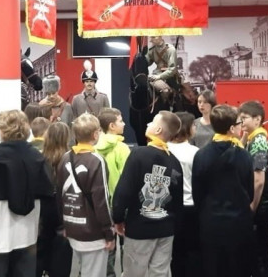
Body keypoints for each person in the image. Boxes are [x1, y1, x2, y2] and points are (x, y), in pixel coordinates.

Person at [0, 110, 55, 277]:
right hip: (28, 227)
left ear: (2, 130)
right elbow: (47, 189)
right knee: (25, 269)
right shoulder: (37, 157)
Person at [112, 111, 183, 277]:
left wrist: (118, 218)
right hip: (165, 229)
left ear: (158, 130)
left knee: (134, 272)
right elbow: (177, 201)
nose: (147, 124)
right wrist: (174, 225)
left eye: (152, 122)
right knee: (160, 273)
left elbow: (124, 191)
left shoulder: (138, 154)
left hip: (139, 228)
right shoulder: (174, 161)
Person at [192, 105, 255, 277]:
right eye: (239, 123)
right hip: (238, 223)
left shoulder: (201, 155)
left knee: (212, 267)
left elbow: (197, 193)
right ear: (232, 128)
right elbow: (249, 192)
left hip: (210, 222)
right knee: (238, 268)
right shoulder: (244, 156)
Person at [57, 113, 114, 277]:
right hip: (93, 232)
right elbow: (101, 200)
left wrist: (63, 225)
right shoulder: (97, 160)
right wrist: (108, 232)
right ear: (95, 134)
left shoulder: (65, 157)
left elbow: (59, 194)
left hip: (72, 226)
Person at [94, 108, 131, 277]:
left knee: (107, 246)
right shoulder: (122, 148)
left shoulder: (94, 147)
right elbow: (128, 178)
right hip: (121, 205)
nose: (124, 124)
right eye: (120, 121)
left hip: (101, 205)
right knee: (126, 246)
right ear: (112, 126)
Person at [238, 100, 268, 277]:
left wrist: (252, 207)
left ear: (257, 119)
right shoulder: (252, 139)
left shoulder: (259, 142)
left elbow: (258, 180)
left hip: (260, 206)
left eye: (244, 118)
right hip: (257, 204)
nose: (241, 122)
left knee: (260, 255)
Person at [38, 122, 74, 277]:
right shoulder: (70, 158)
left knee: (42, 244)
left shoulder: (39, 158)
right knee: (62, 248)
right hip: (64, 207)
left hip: (43, 206)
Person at [168, 111, 199, 277]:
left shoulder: (163, 149)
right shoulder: (195, 152)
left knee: (173, 252)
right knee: (191, 251)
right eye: (193, 125)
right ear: (187, 128)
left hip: (169, 207)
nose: (195, 127)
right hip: (190, 206)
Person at [145, 36, 179, 100]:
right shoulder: (152, 50)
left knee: (169, 92)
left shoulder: (171, 49)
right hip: (156, 74)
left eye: (153, 37)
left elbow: (172, 69)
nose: (151, 40)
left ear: (160, 37)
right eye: (151, 38)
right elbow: (146, 63)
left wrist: (159, 76)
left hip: (170, 76)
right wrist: (142, 58)